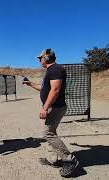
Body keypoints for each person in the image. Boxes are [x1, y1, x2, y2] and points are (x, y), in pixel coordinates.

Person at [22, 49, 79, 177]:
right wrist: (30, 83)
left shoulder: (55, 69)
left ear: (46, 58)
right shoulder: (51, 71)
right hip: (54, 107)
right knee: (51, 132)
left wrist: (45, 107)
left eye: (40, 58)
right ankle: (55, 159)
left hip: (56, 107)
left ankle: (70, 160)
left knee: (48, 133)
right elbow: (44, 88)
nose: (39, 60)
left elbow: (56, 89)